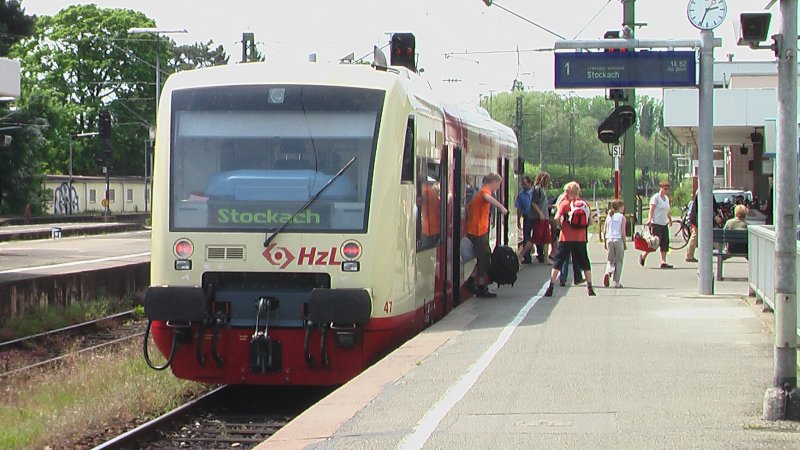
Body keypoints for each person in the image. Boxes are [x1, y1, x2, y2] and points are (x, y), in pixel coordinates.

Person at [545, 182, 595, 297]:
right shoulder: (585, 204)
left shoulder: (565, 204)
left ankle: (551, 287)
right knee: (585, 262)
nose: (565, 193)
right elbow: (591, 222)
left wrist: (560, 222)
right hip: (580, 239)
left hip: (565, 238)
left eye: (566, 191)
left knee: (558, 262)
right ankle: (589, 287)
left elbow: (556, 218)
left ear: (570, 192)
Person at [465, 172, 508, 298]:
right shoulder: (484, 191)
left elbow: (468, 207)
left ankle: (472, 281)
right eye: (498, 185)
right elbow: (487, 198)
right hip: (478, 231)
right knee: (485, 259)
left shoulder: (478, 193)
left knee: (483, 258)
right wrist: (501, 207)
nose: (498, 188)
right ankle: (480, 287)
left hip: (476, 230)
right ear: (492, 182)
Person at [519, 172, 552, 264]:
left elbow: (542, 204)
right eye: (547, 180)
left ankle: (546, 258)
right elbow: (533, 203)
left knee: (546, 238)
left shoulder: (542, 190)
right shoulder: (538, 190)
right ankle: (521, 255)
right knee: (535, 238)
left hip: (545, 217)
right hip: (539, 218)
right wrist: (540, 213)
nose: (549, 182)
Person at [640, 181, 673, 269]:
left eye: (667, 189)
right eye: (665, 189)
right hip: (656, 224)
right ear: (661, 188)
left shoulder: (666, 199)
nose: (666, 191)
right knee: (654, 243)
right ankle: (643, 255)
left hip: (664, 223)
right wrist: (649, 219)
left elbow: (667, 210)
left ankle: (663, 261)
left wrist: (670, 219)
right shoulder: (655, 197)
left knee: (665, 242)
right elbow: (652, 209)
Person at [685, 190, 722, 262]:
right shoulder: (704, 191)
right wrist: (715, 216)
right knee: (699, 235)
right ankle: (720, 252)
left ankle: (689, 255)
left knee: (704, 235)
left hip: (698, 218)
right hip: (699, 219)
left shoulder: (702, 191)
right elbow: (706, 206)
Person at [603, 199, 627, 288]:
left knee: (610, 259)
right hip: (618, 240)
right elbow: (623, 232)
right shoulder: (622, 217)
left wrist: (605, 242)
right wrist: (624, 244)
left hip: (609, 239)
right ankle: (616, 282)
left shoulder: (609, 216)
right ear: (620, 207)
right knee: (619, 261)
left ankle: (607, 272)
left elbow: (604, 231)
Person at [514, 176, 535, 264]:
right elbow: (519, 208)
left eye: (525, 184)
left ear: (530, 183)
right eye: (522, 184)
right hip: (527, 217)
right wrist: (518, 220)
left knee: (537, 236)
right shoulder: (521, 195)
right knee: (526, 236)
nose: (523, 186)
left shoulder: (535, 192)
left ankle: (541, 255)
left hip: (536, 217)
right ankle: (527, 257)